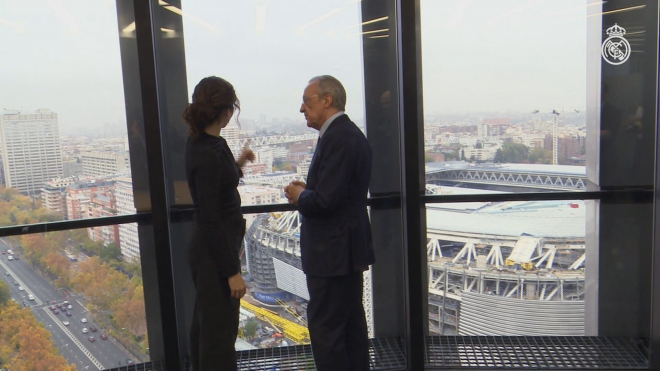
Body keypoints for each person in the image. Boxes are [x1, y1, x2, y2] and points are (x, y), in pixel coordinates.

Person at [284, 75, 375, 371]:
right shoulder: (347, 135)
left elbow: (327, 202)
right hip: (344, 252)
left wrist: (301, 197)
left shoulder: (339, 138)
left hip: (332, 256)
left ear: (327, 100)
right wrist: (307, 192)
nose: (301, 109)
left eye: (307, 101)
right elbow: (339, 194)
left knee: (328, 332)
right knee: (350, 328)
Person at [183, 76, 254, 371]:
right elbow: (211, 218)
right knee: (219, 336)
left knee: (207, 328)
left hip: (210, 251)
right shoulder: (209, 151)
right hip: (215, 256)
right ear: (227, 111)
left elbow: (216, 185)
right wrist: (232, 273)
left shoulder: (206, 143)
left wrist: (238, 163)